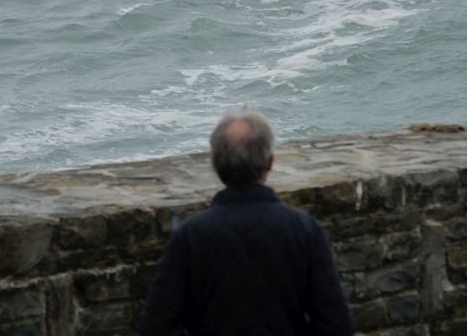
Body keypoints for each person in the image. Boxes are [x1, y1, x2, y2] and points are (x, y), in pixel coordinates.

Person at [137, 110, 355, 335]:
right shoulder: (304, 230)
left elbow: (156, 325)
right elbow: (336, 324)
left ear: (217, 165)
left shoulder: (189, 235)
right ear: (269, 163)